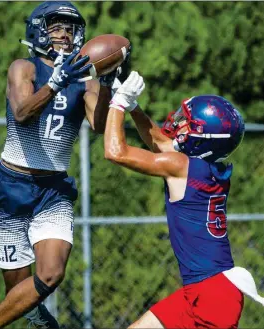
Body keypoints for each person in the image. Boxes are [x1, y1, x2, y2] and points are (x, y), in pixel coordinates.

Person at [0, 2, 120, 328]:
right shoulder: (23, 68)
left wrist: (108, 84)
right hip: (11, 185)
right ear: (39, 30)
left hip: (52, 190)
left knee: (51, 274)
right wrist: (55, 82)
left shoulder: (85, 80)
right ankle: (37, 318)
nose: (65, 35)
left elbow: (98, 125)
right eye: (57, 27)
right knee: (19, 294)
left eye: (70, 29)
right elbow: (23, 113)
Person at [104, 71, 263, 328]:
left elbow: (115, 152)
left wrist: (118, 103)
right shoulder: (207, 168)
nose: (179, 125)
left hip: (213, 295)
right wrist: (133, 106)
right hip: (205, 289)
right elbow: (161, 143)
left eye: (190, 125)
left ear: (203, 139)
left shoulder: (182, 166)